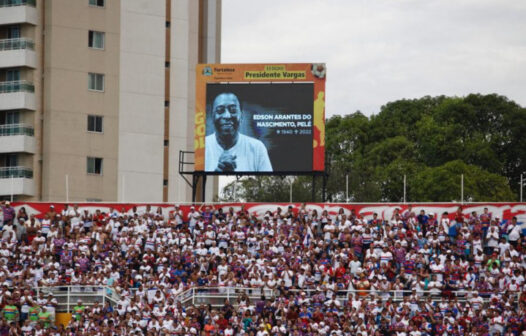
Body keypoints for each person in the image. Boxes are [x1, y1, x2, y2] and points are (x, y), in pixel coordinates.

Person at [205, 92, 272, 172]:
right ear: (212, 116)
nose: (227, 116)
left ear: (241, 116)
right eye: (220, 111)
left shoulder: (257, 148)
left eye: (233, 110)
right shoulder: (202, 147)